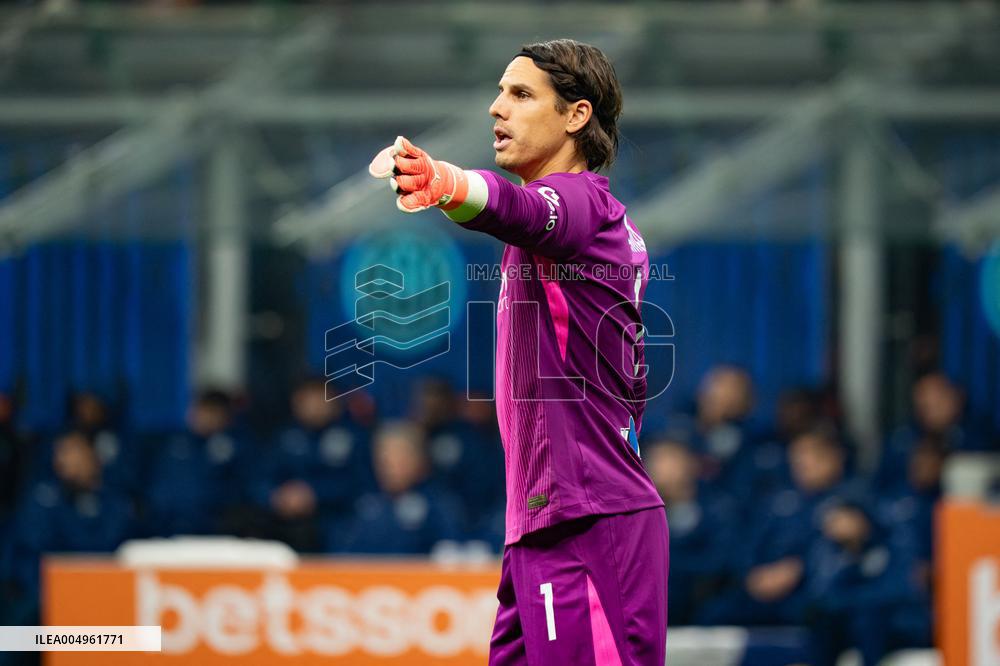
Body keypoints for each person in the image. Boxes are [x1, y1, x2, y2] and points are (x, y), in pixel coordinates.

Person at [369, 38, 668, 665]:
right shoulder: (576, 228)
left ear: (576, 115)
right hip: (544, 523)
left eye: (521, 94)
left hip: (587, 523)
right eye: (501, 91)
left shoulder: (583, 204)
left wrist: (445, 181)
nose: (496, 107)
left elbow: (519, 208)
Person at [326, 421, 463, 555]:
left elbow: (451, 554)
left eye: (399, 458)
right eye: (384, 459)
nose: (390, 467)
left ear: (419, 460)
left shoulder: (439, 506)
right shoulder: (365, 506)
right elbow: (343, 555)